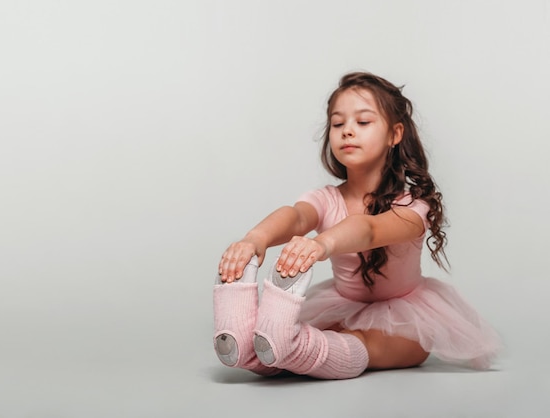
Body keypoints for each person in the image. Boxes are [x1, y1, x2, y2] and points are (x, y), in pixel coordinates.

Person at [213, 71, 501, 379]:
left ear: (395, 134)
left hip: (404, 316)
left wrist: (322, 244)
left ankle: (287, 345)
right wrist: (256, 238)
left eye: (362, 122)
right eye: (338, 124)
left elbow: (370, 230)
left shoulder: (413, 204)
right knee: (314, 337)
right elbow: (296, 216)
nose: (347, 131)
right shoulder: (325, 198)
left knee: (369, 342)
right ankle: (253, 346)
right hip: (343, 305)